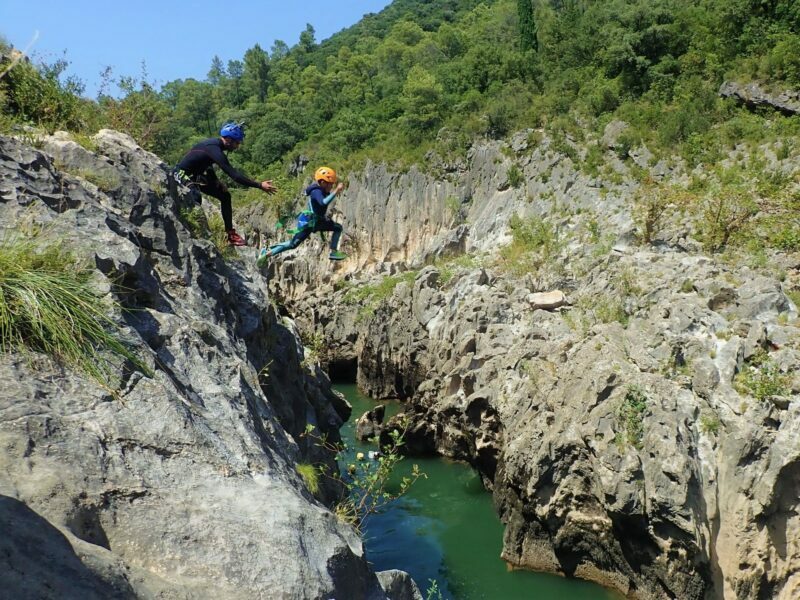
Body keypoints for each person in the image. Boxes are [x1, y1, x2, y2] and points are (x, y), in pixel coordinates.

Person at [172, 122, 276, 246]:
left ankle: (231, 234)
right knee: (195, 197)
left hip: (195, 175)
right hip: (180, 173)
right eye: (237, 143)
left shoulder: (215, 147)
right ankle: (193, 234)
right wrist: (259, 185)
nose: (238, 146)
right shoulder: (214, 148)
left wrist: (216, 181)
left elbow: (207, 164)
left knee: (225, 196)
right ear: (228, 140)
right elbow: (235, 176)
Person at [257, 166, 346, 265]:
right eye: (330, 184)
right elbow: (323, 203)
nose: (332, 186)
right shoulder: (316, 191)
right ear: (323, 183)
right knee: (293, 244)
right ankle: (267, 253)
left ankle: (333, 252)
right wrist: (336, 191)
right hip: (308, 222)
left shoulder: (323, 190)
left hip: (317, 221)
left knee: (338, 228)